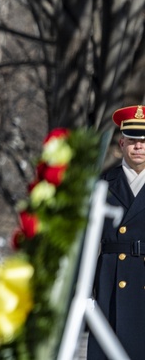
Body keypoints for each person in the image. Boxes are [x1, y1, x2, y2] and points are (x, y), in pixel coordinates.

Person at [88, 105, 145, 359]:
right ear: (121, 143)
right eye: (133, 141)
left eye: (144, 141)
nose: (139, 147)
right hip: (111, 280)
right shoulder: (102, 185)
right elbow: (85, 244)